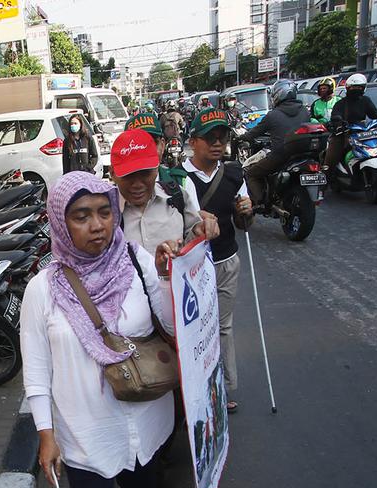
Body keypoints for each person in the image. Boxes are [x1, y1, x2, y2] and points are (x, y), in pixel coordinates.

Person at [20, 169, 181, 488]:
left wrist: (173, 277)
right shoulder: (42, 290)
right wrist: (46, 434)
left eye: (104, 212)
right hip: (85, 431)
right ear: (60, 222)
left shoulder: (136, 264)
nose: (97, 225)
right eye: (82, 215)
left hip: (147, 419)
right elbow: (36, 368)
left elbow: (172, 323)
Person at [183, 107, 255, 414]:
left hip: (226, 261)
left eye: (222, 137)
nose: (217, 143)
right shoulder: (180, 180)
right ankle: (194, 388)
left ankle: (224, 388)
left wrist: (247, 212)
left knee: (222, 326)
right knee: (194, 330)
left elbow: (245, 226)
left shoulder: (235, 174)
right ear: (193, 142)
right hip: (191, 267)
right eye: (209, 137)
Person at [111, 128, 212, 255]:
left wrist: (201, 231)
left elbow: (195, 247)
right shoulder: (104, 213)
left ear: (156, 169)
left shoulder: (177, 196)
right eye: (129, 175)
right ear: (112, 173)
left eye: (145, 173)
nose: (137, 184)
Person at [238, 79, 311, 206]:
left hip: (280, 156)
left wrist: (242, 137)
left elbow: (253, 134)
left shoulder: (273, 115)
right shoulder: (304, 111)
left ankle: (259, 202)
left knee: (251, 174)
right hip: (303, 155)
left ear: (278, 95)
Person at [325, 73, 377, 172]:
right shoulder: (341, 103)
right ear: (347, 88)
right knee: (331, 158)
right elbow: (335, 116)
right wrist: (339, 123)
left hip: (363, 134)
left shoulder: (366, 101)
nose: (356, 89)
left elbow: (375, 114)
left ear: (363, 88)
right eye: (353, 87)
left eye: (359, 87)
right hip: (343, 134)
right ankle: (327, 179)